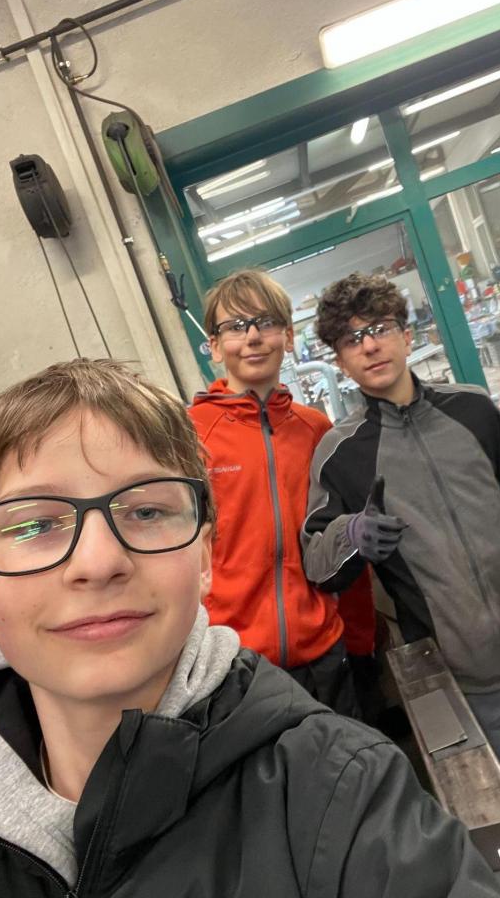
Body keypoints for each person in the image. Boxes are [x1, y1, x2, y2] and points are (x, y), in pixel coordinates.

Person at [0, 358, 500, 898]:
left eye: (147, 511)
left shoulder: (344, 796)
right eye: (36, 525)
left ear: (203, 559)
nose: (98, 561)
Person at [302, 272, 500, 819]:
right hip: (453, 660)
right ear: (340, 361)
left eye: (380, 328)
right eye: (352, 339)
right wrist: (351, 534)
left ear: (407, 335)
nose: (370, 346)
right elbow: (317, 560)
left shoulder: (473, 409)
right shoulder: (341, 453)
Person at [188, 269, 375, 716]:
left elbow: (343, 541)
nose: (253, 337)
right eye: (236, 326)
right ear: (215, 346)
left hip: (325, 651)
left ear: (288, 337)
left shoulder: (317, 431)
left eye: (266, 322)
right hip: (235, 668)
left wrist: (362, 638)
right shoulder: (188, 437)